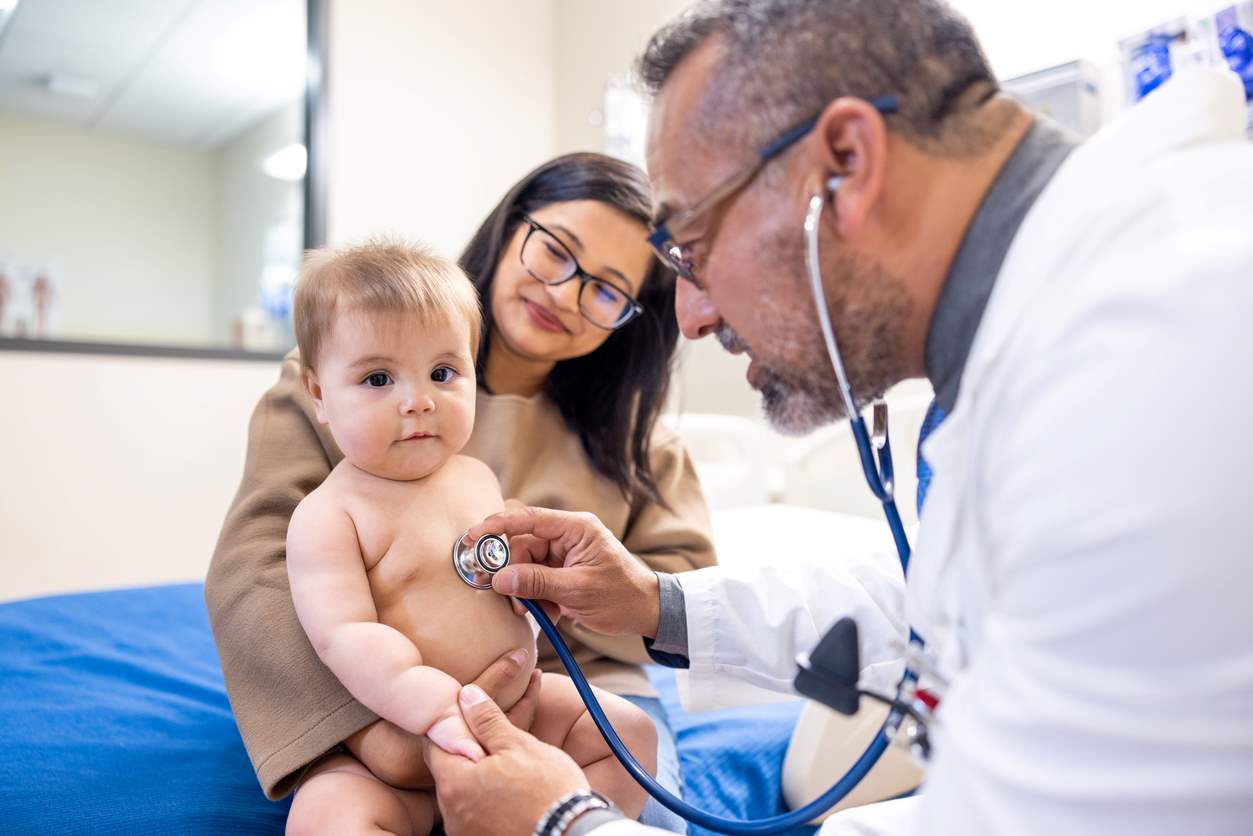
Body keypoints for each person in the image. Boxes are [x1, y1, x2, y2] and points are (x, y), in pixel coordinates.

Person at [421, 1, 1253, 834]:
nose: (694, 317)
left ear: (844, 166)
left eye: (692, 248)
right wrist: (657, 606)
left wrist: (565, 824)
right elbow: (944, 594)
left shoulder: (1163, 356)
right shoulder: (1050, 327)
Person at [204, 153, 716, 834]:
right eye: (555, 252)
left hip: (564, 687)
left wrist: (572, 600)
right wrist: (371, 730)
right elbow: (253, 573)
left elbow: (684, 592)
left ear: (632, 314)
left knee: (640, 794)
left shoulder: (640, 442)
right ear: (509, 228)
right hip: (375, 698)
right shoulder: (344, 370)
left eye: (605, 290)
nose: (564, 293)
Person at [282, 240, 656, 833]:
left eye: (442, 372)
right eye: (378, 378)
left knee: (630, 735)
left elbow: (500, 584)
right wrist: (435, 711)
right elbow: (343, 634)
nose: (419, 401)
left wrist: (535, 596)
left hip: (520, 712)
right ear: (320, 396)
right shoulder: (329, 515)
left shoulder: (477, 476)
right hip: (396, 743)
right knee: (330, 817)